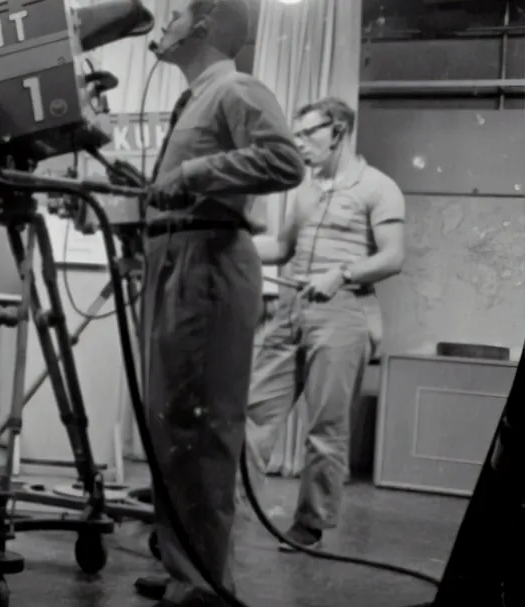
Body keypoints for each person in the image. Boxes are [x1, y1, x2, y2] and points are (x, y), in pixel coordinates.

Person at [136, 0, 306, 604]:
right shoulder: (198, 98)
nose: (165, 26)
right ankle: (185, 562)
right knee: (168, 422)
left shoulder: (235, 87)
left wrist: (194, 174)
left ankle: (205, 583)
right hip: (176, 257)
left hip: (207, 260)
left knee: (201, 426)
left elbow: (287, 161)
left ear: (204, 25)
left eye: (175, 15)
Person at [244, 97, 406, 550]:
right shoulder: (305, 189)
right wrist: (230, 239)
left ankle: (310, 524)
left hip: (344, 313)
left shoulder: (378, 187)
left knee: (325, 427)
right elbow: (281, 248)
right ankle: (231, 511)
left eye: (307, 135)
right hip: (291, 307)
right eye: (293, 137)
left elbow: (393, 256)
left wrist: (343, 273)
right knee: (252, 411)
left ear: (337, 131)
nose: (298, 146)